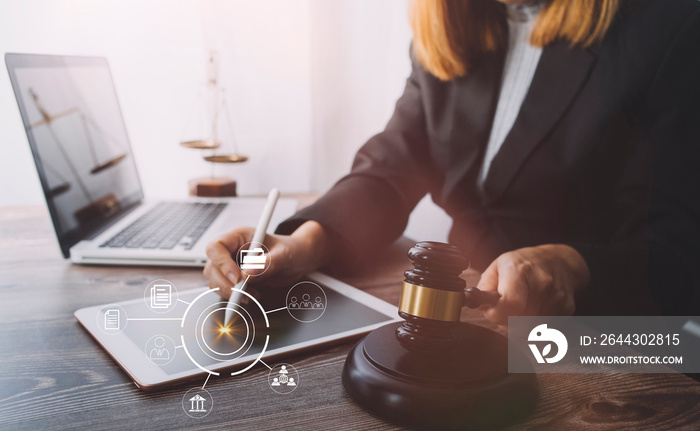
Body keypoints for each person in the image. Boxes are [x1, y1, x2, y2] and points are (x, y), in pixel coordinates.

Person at [205, 0, 700, 323]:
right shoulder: (458, 21)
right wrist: (304, 242)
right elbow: (394, 164)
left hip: (598, 338)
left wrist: (572, 265)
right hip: (461, 314)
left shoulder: (671, 28)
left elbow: (677, 251)